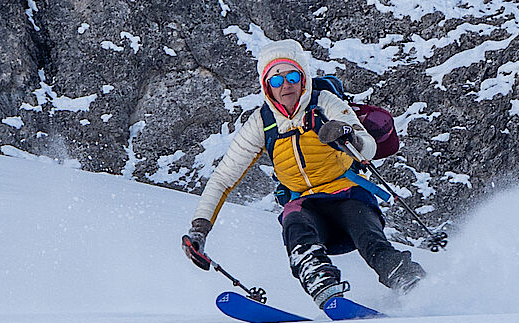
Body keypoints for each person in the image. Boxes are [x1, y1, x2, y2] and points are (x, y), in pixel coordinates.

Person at [182, 39, 426, 306]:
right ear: (267, 86)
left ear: (303, 78)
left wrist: (347, 135)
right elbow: (223, 179)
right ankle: (323, 285)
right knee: (295, 225)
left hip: (349, 195)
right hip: (307, 205)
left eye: (292, 76)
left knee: (371, 241)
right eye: (276, 80)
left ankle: (415, 286)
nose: (285, 85)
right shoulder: (262, 123)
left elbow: (366, 146)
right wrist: (200, 229)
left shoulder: (325, 102)